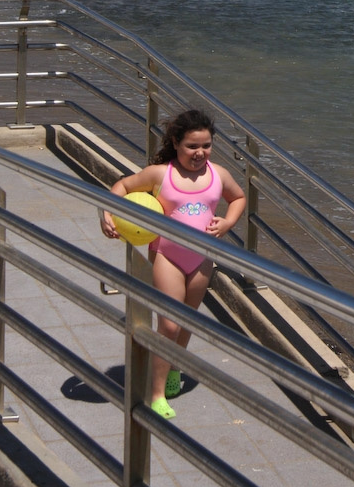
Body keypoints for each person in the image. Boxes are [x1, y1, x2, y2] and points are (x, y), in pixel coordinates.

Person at [100, 107, 246, 419]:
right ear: (176, 143)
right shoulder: (160, 174)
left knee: (187, 321)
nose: (200, 152)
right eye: (192, 146)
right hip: (168, 256)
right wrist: (107, 213)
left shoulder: (218, 174)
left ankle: (174, 367)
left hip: (202, 259)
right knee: (169, 324)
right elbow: (122, 186)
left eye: (206, 145)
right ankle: (156, 395)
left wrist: (228, 223)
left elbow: (239, 197)